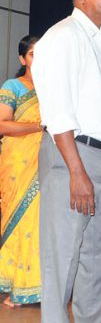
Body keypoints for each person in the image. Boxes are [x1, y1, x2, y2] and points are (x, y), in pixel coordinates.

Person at [31, 0, 101, 322]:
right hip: (72, 157)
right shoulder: (63, 37)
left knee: (100, 259)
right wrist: (76, 171)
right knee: (63, 257)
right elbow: (57, 110)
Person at [0, 35, 42, 307]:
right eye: (33, 55)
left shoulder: (54, 87)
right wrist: (39, 127)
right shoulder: (13, 86)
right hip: (18, 163)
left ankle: (36, 284)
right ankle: (13, 283)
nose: (38, 61)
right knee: (19, 219)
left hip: (48, 162)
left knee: (41, 223)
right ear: (22, 59)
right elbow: (3, 125)